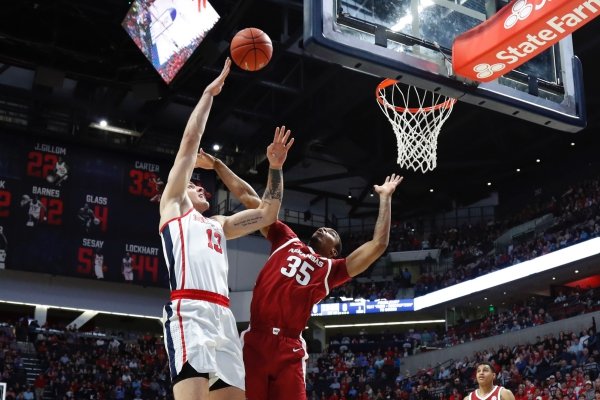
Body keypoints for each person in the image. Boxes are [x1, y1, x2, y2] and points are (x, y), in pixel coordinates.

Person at [195, 149, 402, 400]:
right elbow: (251, 199)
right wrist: (218, 164)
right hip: (256, 340)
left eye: (332, 233)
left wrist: (385, 198)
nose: (325, 228)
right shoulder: (286, 238)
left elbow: (377, 245)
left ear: (334, 251)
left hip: (289, 348)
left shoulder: (332, 270)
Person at [158, 57, 294, 400]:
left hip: (224, 315)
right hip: (189, 310)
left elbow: (267, 214)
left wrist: (274, 168)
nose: (201, 187)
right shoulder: (174, 208)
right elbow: (189, 146)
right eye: (195, 185)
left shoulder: (218, 225)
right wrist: (208, 95)